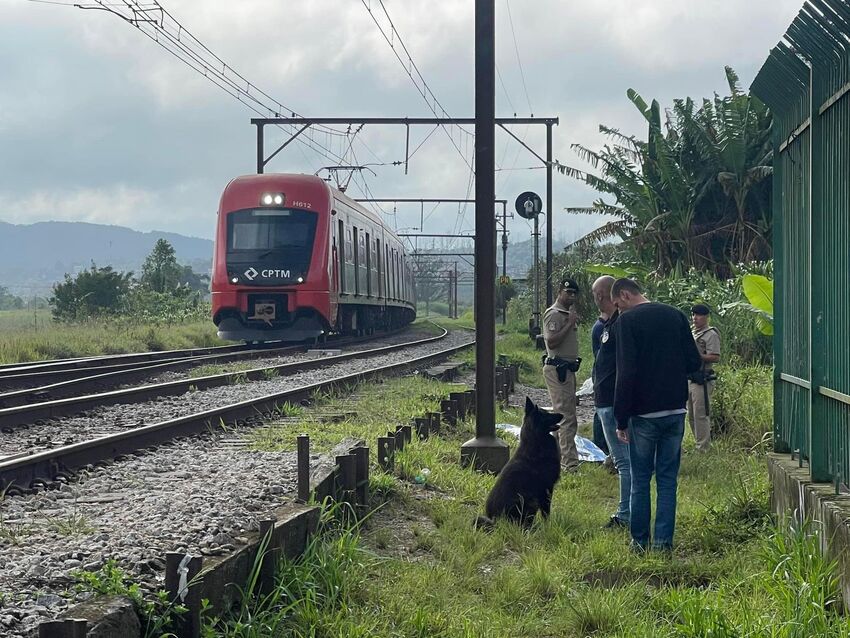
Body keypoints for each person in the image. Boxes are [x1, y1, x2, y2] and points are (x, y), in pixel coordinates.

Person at [611, 278, 701, 552]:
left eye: (618, 305)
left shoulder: (627, 323)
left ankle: (639, 543)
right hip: (675, 411)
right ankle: (663, 544)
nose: (618, 311)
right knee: (666, 480)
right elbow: (694, 362)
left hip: (643, 415)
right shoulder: (676, 315)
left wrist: (621, 417)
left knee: (640, 479)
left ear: (625, 295)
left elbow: (626, 372)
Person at [591, 275, 630, 529]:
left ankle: (626, 514)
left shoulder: (621, 324)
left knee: (624, 462)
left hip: (613, 403)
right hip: (607, 402)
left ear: (601, 296)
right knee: (624, 461)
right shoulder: (607, 324)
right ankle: (629, 511)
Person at [542, 278, 581, 472]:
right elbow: (552, 342)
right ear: (560, 292)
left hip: (567, 369)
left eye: (574, 293)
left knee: (564, 414)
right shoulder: (555, 314)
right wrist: (569, 324)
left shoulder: (567, 313)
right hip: (558, 369)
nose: (571, 296)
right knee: (567, 417)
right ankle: (570, 463)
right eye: (568, 293)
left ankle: (557, 458)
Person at [687, 304, 721, 452]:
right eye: (693, 315)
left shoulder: (710, 334)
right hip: (691, 377)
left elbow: (715, 357)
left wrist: (697, 356)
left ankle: (703, 447)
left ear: (706, 317)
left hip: (703, 377)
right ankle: (698, 442)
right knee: (691, 415)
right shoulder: (692, 332)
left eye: (699, 315)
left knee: (701, 414)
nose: (695, 318)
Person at [591, 311, 611, 459]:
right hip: (602, 373)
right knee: (601, 411)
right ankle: (600, 446)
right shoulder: (600, 328)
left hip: (603, 373)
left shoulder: (604, 327)